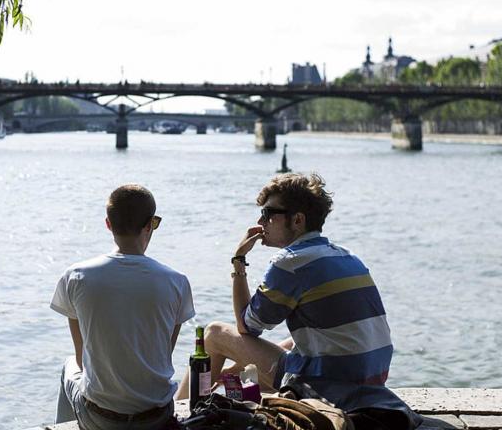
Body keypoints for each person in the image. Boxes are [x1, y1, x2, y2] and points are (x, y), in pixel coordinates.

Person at [176, 173, 417, 428]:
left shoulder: (291, 262)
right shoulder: (347, 257)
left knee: (214, 334)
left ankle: (178, 415)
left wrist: (238, 261)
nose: (260, 221)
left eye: (269, 214)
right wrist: (240, 364)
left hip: (326, 383)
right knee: (283, 343)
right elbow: (319, 335)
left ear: (298, 220)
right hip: (370, 380)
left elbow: (247, 325)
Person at [51, 184, 195, 430]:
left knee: (69, 366)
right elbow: (162, 355)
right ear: (150, 224)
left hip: (101, 419)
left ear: (108, 224)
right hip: (156, 417)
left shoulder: (76, 276)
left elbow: (82, 358)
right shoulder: (176, 281)